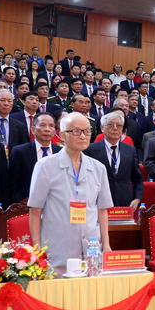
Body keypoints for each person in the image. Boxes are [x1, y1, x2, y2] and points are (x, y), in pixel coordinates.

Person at [28, 112, 113, 268]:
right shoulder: (45, 166)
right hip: (58, 250)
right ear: (62, 135)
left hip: (91, 251)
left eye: (87, 131)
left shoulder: (98, 168)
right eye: (76, 131)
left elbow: (102, 210)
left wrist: (106, 245)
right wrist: (37, 248)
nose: (83, 136)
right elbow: (35, 210)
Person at [86, 111, 143, 209]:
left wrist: (137, 199)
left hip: (125, 204)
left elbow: (137, 179)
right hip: (98, 204)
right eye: (111, 125)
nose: (115, 129)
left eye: (119, 126)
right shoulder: (90, 150)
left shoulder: (130, 150)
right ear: (102, 128)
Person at [8, 112, 60, 204]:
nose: (47, 129)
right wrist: (21, 206)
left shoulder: (61, 152)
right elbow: (13, 185)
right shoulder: (20, 152)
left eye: (51, 126)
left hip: (55, 206)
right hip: (27, 207)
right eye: (42, 125)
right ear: (33, 129)